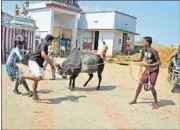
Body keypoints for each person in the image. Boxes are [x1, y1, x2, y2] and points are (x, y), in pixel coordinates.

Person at [19, 34, 58, 100]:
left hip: (36, 63)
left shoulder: (43, 44)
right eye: (51, 41)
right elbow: (43, 55)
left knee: (36, 80)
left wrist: (51, 63)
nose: (51, 43)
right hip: (34, 62)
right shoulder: (44, 44)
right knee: (39, 78)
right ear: (48, 40)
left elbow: (43, 55)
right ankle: (23, 77)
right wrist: (53, 62)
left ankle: (34, 96)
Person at [129, 36, 162, 109]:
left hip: (154, 70)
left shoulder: (153, 51)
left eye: (143, 41)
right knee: (140, 84)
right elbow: (140, 59)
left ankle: (156, 103)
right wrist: (132, 60)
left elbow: (159, 62)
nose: (142, 42)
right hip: (147, 69)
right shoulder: (143, 50)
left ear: (148, 42)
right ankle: (135, 99)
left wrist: (148, 65)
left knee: (152, 87)